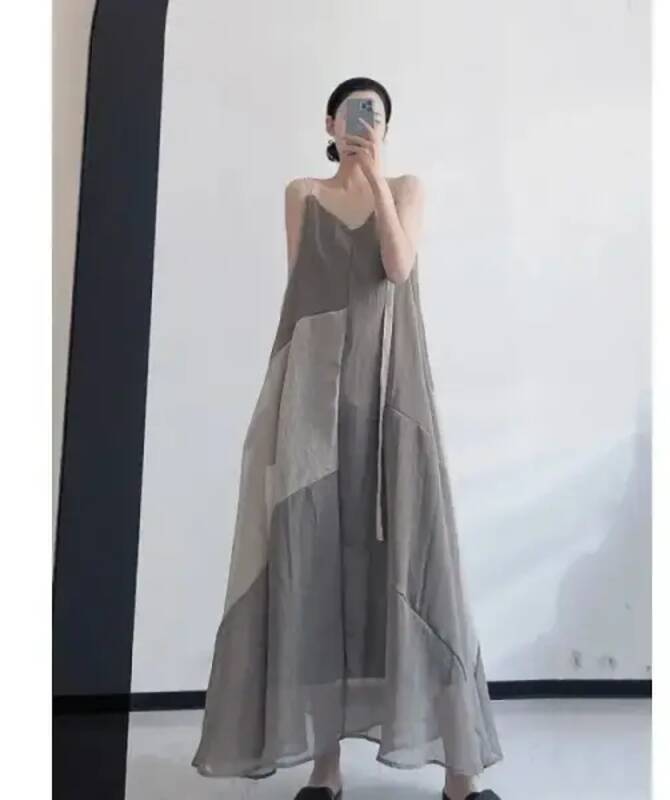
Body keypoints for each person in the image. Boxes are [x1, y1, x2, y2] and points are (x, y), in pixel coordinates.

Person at [191, 76, 504, 800]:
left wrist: (376, 182)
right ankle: (325, 768)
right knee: (312, 571)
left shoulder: (407, 189)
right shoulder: (301, 193)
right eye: (355, 112)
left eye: (378, 115)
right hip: (313, 408)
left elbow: (398, 266)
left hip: (392, 403)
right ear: (329, 124)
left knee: (423, 567)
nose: (366, 122)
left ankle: (461, 776)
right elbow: (303, 297)